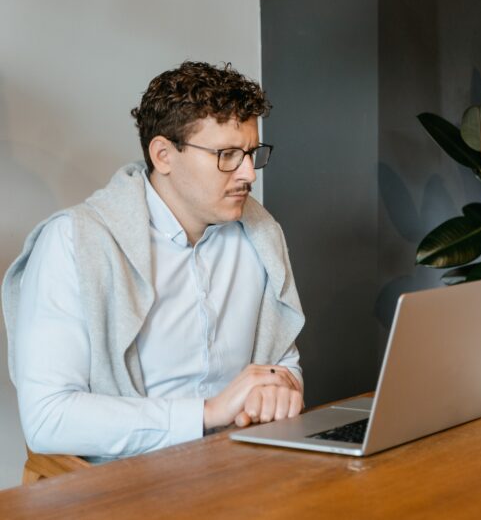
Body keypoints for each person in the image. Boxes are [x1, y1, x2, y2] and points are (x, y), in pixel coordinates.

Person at [2, 62, 305, 460]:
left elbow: (283, 362)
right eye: (228, 154)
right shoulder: (75, 242)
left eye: (251, 153)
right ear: (163, 154)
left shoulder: (260, 234)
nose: (248, 173)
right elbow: (48, 418)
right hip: (129, 485)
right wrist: (207, 413)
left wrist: (281, 390)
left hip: (246, 467)